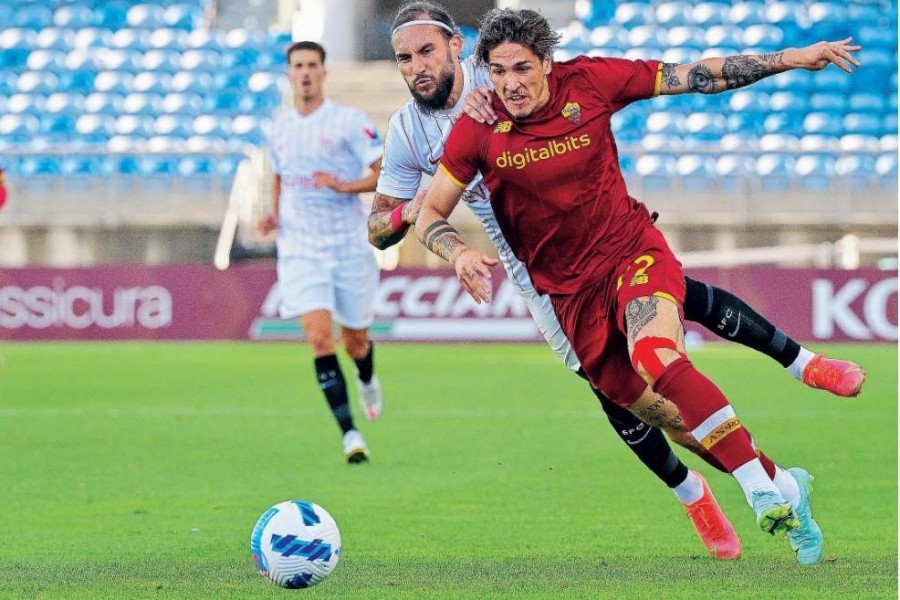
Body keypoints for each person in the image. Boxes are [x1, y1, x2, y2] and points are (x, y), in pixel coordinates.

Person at [373, 0, 866, 562]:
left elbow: (696, 76)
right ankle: (760, 487)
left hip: (626, 248)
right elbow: (399, 222)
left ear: (462, 51)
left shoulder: (564, 80)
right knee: (666, 417)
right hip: (549, 284)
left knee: (659, 348)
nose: (417, 66)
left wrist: (790, 59)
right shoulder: (450, 128)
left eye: (426, 52)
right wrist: (443, 241)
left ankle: (789, 404)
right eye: (404, 58)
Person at [260, 41, 385, 464]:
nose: (306, 73)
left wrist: (342, 185)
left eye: (313, 65)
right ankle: (350, 433)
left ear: (324, 72)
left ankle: (367, 374)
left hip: (347, 246)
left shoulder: (349, 122)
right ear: (289, 74)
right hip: (299, 248)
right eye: (298, 66)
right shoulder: (277, 127)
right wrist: (273, 215)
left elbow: (381, 173)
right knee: (318, 337)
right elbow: (279, 177)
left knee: (355, 342)